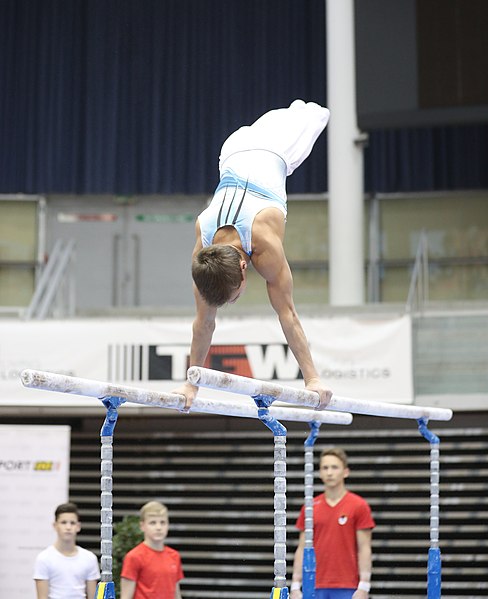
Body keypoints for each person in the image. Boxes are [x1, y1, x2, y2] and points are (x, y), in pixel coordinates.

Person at [174, 100, 333, 409]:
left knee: (316, 114)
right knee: (283, 115)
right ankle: (292, 110)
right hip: (233, 147)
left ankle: (302, 109)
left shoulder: (264, 241)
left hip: (277, 151)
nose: (233, 301)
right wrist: (191, 383)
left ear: (246, 265)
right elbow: (204, 323)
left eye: (234, 295)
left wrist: (312, 378)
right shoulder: (203, 257)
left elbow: (287, 313)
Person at [291, 448, 375, 599]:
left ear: (346, 472)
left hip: (347, 585)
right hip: (314, 583)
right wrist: (295, 585)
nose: (329, 472)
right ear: (320, 473)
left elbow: (364, 548)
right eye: (325, 468)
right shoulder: (310, 507)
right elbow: (302, 548)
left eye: (334, 467)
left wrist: (364, 586)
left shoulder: (359, 505)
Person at [33, 502, 100, 599]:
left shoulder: (89, 558)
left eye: (72, 523)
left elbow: (92, 596)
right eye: (63, 522)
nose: (68, 527)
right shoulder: (44, 558)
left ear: (78, 526)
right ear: (55, 525)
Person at [120, 501, 183, 599]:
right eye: (152, 523)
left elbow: (176, 593)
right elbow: (126, 597)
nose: (159, 528)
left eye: (163, 523)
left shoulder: (174, 556)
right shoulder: (134, 557)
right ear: (142, 526)